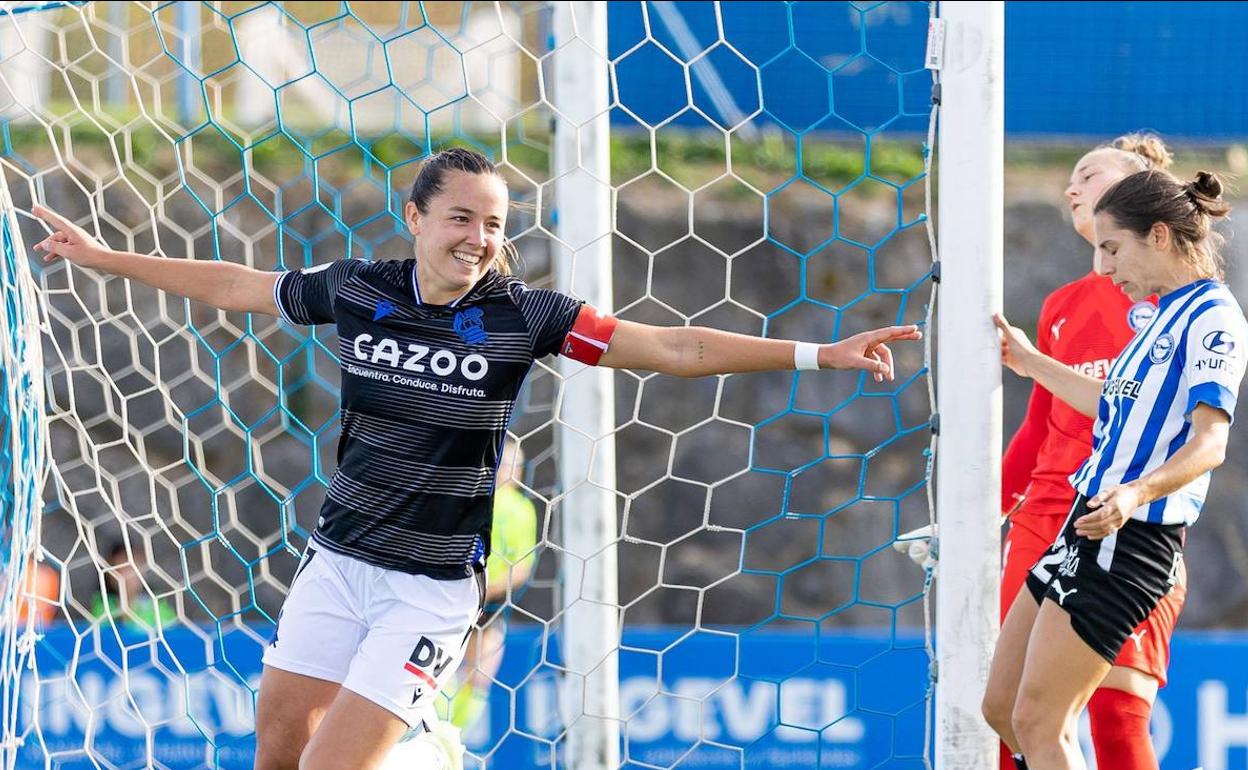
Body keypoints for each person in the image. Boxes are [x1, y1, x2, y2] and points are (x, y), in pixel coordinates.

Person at [30, 146, 922, 770]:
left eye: (494, 224)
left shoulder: (525, 316)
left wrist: (820, 353)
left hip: (429, 589)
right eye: (460, 217)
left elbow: (673, 347)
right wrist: (104, 258)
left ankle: (426, 743)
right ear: (415, 217)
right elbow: (237, 285)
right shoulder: (359, 289)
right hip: (337, 566)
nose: (479, 237)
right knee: (278, 751)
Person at [985, 167, 1245, 770]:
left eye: (1112, 248)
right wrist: (1031, 362)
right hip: (1083, 525)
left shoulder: (1213, 317)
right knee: (1002, 708)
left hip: (1130, 538)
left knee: (1045, 721)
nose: (1103, 267)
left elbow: (1211, 442)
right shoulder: (1158, 314)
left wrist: (1134, 494)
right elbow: (1117, 405)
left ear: (1159, 236)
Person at [996, 134, 1182, 770]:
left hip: (1125, 523)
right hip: (1044, 520)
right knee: (1010, 714)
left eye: (1089, 173)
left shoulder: (1177, 305)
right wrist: (986, 508)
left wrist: (1144, 496)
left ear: (1140, 191)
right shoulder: (1061, 306)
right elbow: (1038, 431)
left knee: (1115, 714)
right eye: (1070, 178)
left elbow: (1192, 432)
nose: (1071, 187)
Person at [443, 437, 537, 738]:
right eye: (504, 463)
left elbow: (522, 566)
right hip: (455, 593)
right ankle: (433, 728)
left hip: (491, 601)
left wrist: (488, 589)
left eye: (516, 465)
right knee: (440, 665)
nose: (510, 470)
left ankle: (454, 736)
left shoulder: (522, 508)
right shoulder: (471, 499)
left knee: (479, 674)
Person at [90, 540, 177, 632]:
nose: (128, 576)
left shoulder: (156, 602)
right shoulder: (102, 604)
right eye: (120, 570)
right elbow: (100, 629)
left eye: (131, 569)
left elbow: (171, 627)